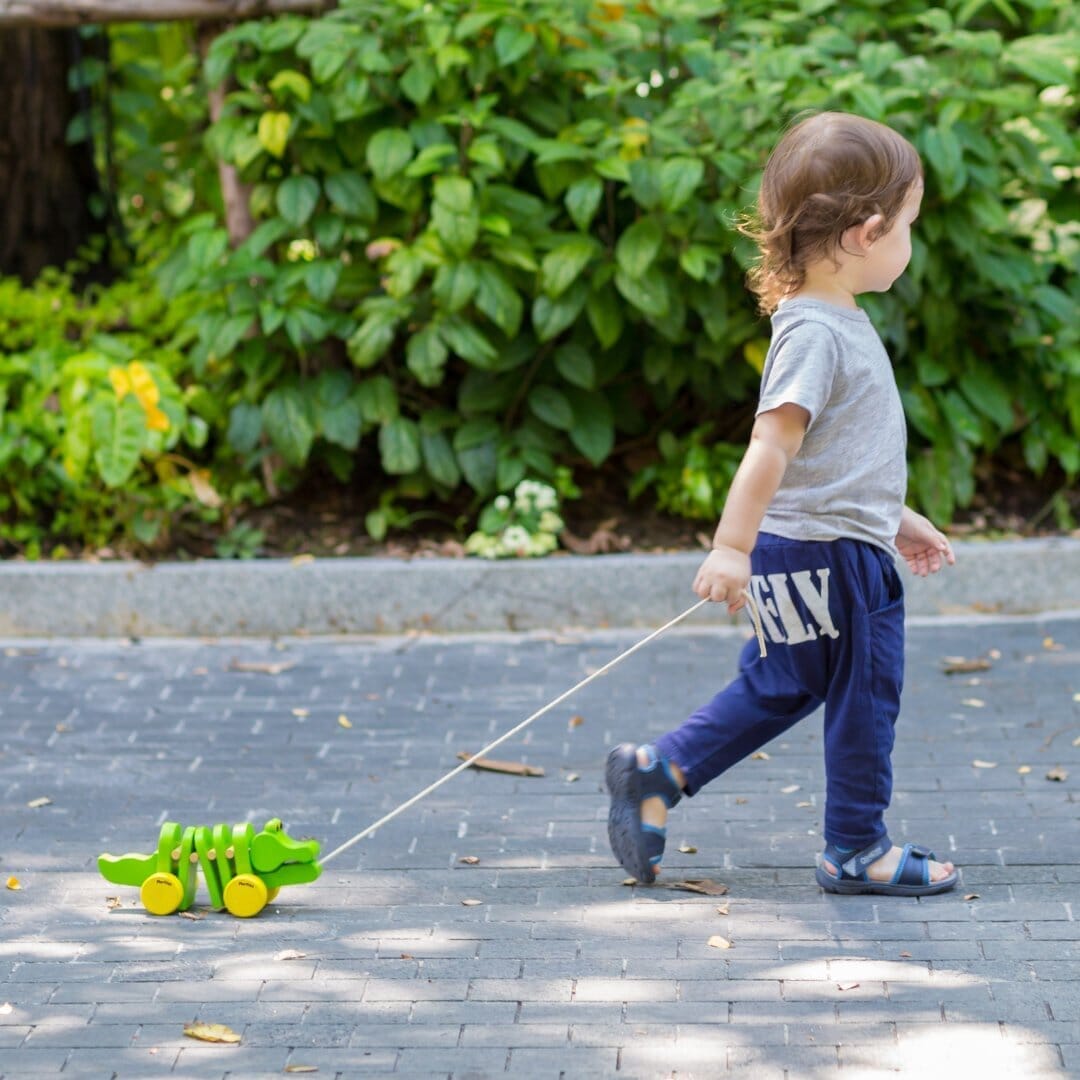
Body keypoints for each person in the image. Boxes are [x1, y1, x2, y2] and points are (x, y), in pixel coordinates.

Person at [606, 111, 959, 897]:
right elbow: (771, 445)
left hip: (816, 545)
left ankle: (661, 772)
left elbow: (833, 460)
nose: (910, 241)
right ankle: (858, 848)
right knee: (865, 696)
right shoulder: (818, 334)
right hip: (833, 563)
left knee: (786, 681)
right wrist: (730, 548)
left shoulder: (827, 321)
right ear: (868, 232)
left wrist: (895, 519)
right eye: (908, 225)